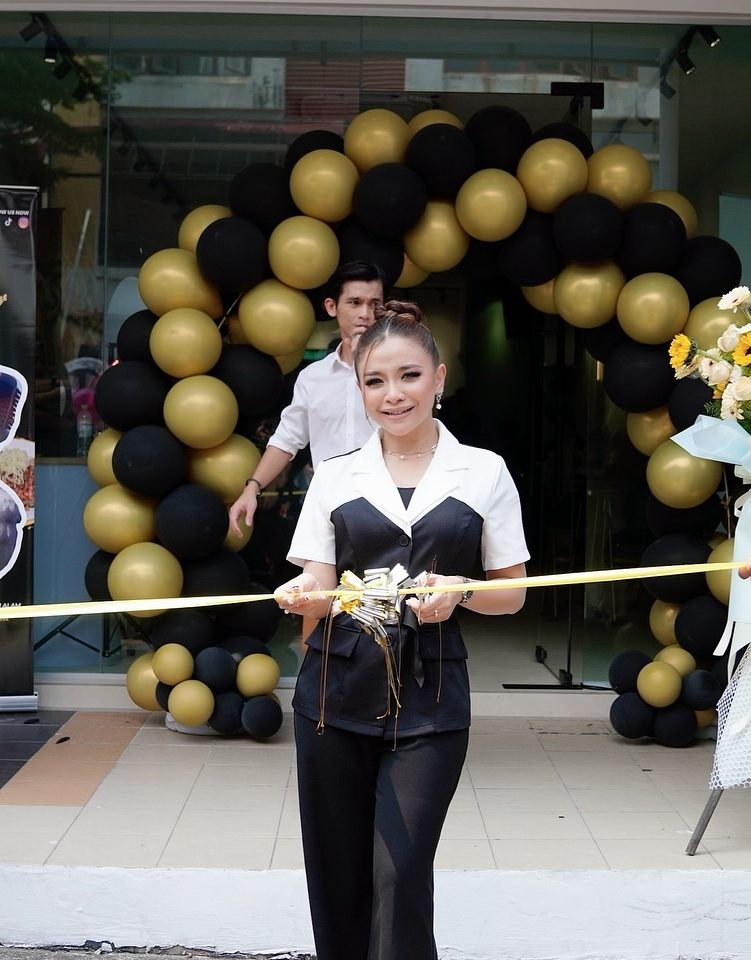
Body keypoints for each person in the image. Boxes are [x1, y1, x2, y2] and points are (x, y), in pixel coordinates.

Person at [274, 300, 529, 960]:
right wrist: (305, 591)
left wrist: (464, 591)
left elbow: (513, 593)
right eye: (375, 381)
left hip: (431, 701)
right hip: (332, 697)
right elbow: (319, 581)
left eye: (409, 375)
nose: (393, 395)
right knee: (338, 879)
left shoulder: (483, 471)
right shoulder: (334, 477)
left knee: (400, 873)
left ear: (439, 378)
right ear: (358, 390)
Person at [228, 260, 385, 536]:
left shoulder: (398, 373)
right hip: (328, 511)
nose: (365, 313)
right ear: (331, 307)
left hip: (389, 506)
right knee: (320, 581)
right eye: (355, 302)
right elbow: (287, 438)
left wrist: (368, 365)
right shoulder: (314, 377)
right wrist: (253, 488)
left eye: (374, 304)